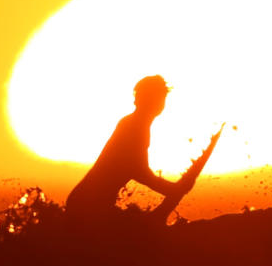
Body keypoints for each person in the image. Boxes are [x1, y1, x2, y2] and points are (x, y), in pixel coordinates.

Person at [65, 75, 195, 224]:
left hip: (89, 204)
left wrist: (173, 188)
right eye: (156, 97)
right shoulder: (134, 125)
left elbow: (137, 170)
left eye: (161, 97)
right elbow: (140, 172)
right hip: (89, 207)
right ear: (141, 100)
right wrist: (173, 189)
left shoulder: (135, 123)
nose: (159, 103)